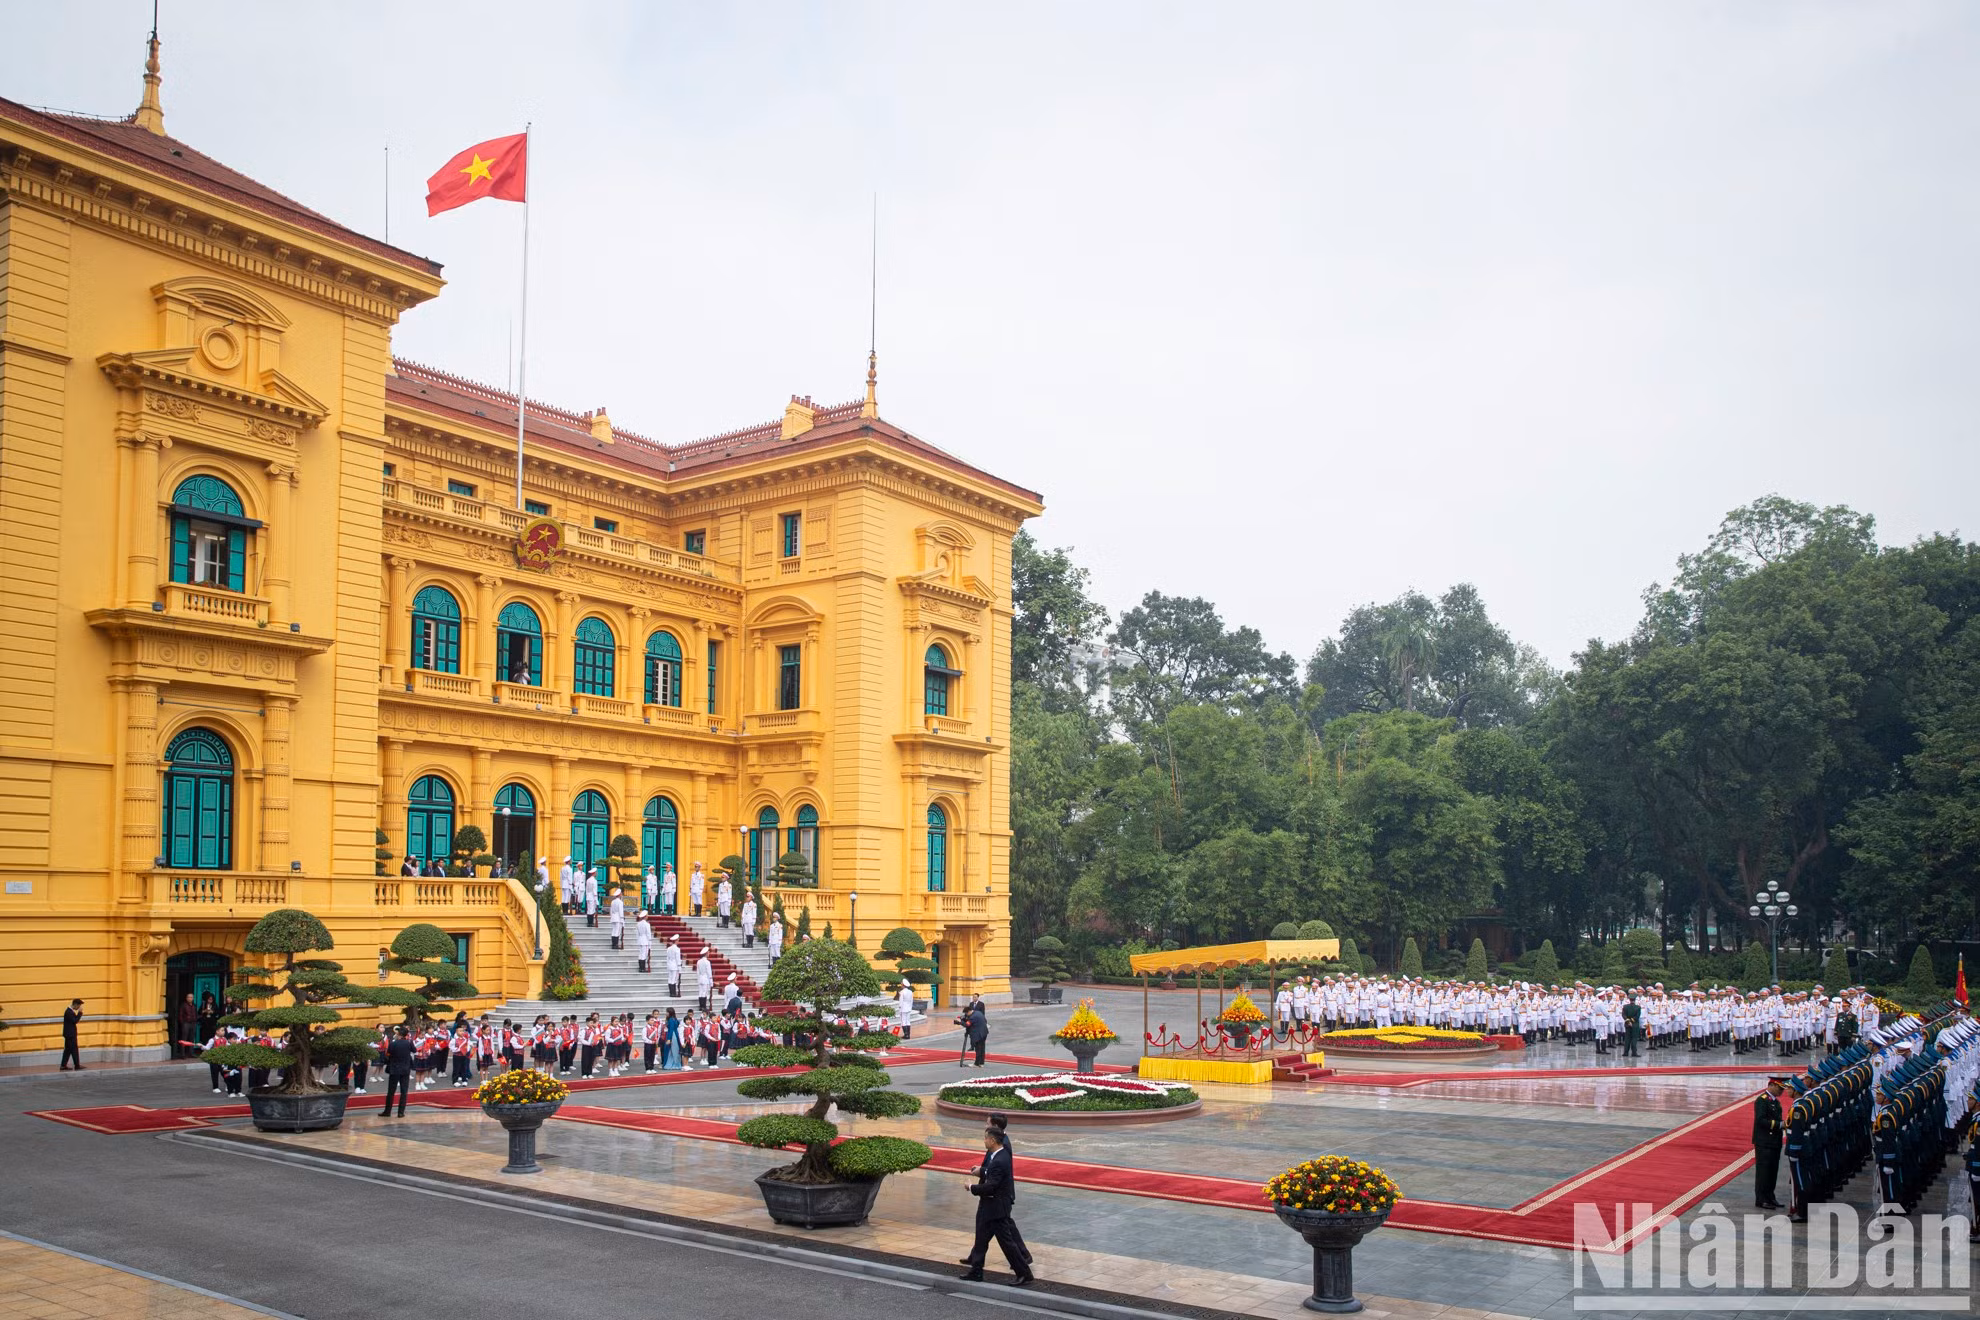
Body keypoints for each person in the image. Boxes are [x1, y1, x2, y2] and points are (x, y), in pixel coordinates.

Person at [960, 1123, 1033, 1285]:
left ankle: (1024, 1273)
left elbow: (991, 1186)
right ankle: (976, 1271)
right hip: (990, 1206)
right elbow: (993, 1174)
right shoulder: (1000, 1155)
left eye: (985, 1138)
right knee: (980, 1240)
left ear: (992, 1140)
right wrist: (983, 1171)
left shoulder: (1000, 1159)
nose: (984, 1141)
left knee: (1007, 1243)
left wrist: (971, 1187)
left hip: (996, 1208)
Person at [1753, 1077, 1787, 1209]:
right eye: (1779, 1088)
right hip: (1764, 1141)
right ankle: (1761, 1199)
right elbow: (1761, 1120)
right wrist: (1779, 1125)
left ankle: (1770, 1197)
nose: (1781, 1091)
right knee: (1763, 1172)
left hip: (1774, 1141)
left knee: (1772, 1171)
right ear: (1771, 1085)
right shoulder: (1762, 1101)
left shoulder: (1775, 1102)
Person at [380, 1027, 414, 1116]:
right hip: (406, 1069)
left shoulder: (393, 1044)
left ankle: (387, 1111)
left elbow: (388, 1054)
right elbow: (414, 1050)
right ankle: (401, 1112)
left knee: (391, 1091)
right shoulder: (409, 1043)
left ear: (398, 1034)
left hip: (394, 1069)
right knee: (404, 1091)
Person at [59, 998, 84, 1070]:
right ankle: (77, 1066)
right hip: (70, 1035)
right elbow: (75, 1020)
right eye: (79, 1005)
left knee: (68, 1050)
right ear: (75, 1004)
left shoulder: (70, 1011)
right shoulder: (68, 1012)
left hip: (69, 1034)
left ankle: (63, 1066)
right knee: (74, 1050)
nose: (79, 1007)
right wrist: (80, 1013)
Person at [965, 998, 988, 1068]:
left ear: (968, 1012)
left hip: (979, 1035)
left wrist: (960, 1022)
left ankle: (976, 1063)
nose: (967, 1015)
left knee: (978, 1048)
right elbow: (985, 1020)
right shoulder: (978, 1012)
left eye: (967, 1014)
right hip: (984, 1033)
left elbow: (967, 1024)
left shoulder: (973, 1017)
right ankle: (981, 1063)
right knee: (982, 1048)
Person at [1621, 993, 1642, 1058]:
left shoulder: (1625, 1006)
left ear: (1629, 1000)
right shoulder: (1638, 1007)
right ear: (1635, 1000)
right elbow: (1637, 1017)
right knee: (1634, 1038)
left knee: (1627, 1038)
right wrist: (1631, 1021)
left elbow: (1623, 1015)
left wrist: (1628, 1021)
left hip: (1627, 1024)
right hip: (1635, 1025)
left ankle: (1625, 1052)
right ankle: (1634, 1052)